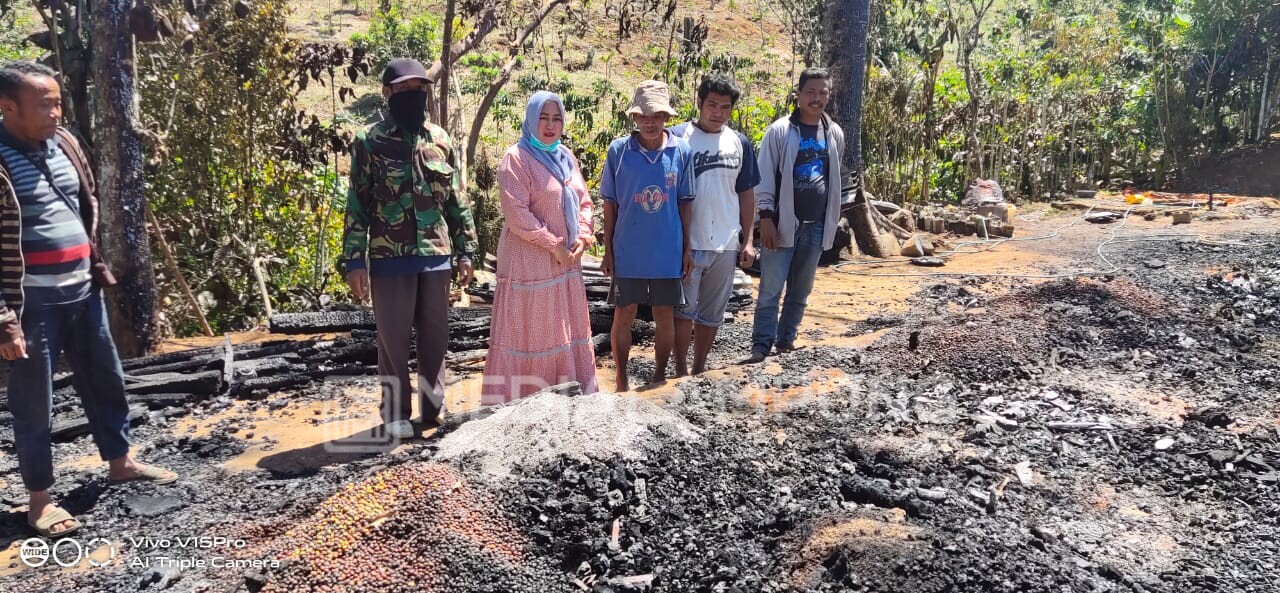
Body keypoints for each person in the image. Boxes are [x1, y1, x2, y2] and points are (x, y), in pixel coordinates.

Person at [0, 61, 178, 538]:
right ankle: (40, 501)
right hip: (32, 305)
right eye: (44, 105)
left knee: (106, 379)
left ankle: (120, 461)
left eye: (58, 102)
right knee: (34, 402)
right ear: (7, 107)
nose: (56, 112)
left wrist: (92, 264)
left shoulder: (68, 145)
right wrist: (4, 322)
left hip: (82, 290)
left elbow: (84, 202)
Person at [342, 58, 479, 438]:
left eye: (419, 89)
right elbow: (357, 203)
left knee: (436, 337)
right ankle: (394, 413)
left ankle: (433, 408)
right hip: (390, 258)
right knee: (392, 340)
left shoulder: (441, 140)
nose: (413, 96)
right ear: (387, 94)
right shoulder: (370, 142)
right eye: (404, 90)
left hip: (436, 255)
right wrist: (354, 260)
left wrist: (466, 250)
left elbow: (456, 200)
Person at [481, 92, 597, 403]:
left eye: (556, 118)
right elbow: (517, 214)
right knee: (532, 332)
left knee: (564, 329)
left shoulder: (566, 158)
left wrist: (583, 237)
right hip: (529, 263)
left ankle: (568, 397)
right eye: (543, 118)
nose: (550, 125)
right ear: (531, 120)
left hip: (566, 261)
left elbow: (585, 201)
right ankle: (526, 401)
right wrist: (553, 244)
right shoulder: (516, 159)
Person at [600, 80, 695, 392]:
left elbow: (685, 202)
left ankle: (658, 374)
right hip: (628, 249)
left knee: (664, 313)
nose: (650, 122)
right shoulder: (619, 151)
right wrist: (608, 249)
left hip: (668, 249)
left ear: (666, 117)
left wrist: (687, 248)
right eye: (643, 116)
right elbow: (610, 204)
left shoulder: (680, 151)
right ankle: (622, 378)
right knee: (624, 313)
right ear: (635, 118)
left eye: (656, 116)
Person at [747, 67, 846, 363]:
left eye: (823, 93)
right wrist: (765, 218)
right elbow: (764, 176)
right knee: (770, 289)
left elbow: (832, 178)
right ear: (799, 95)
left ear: (829, 96)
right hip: (781, 223)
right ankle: (761, 346)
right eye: (811, 92)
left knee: (801, 289)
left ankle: (786, 339)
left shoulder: (834, 133)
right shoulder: (779, 132)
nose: (817, 99)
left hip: (816, 225)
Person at [670, 73, 760, 376]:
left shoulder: (739, 143)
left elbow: (746, 194)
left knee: (711, 314)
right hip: (688, 243)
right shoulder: (677, 138)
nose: (717, 112)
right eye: (711, 105)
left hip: (724, 241)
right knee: (683, 311)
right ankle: (680, 368)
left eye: (725, 107)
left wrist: (747, 240)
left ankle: (698, 368)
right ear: (699, 103)